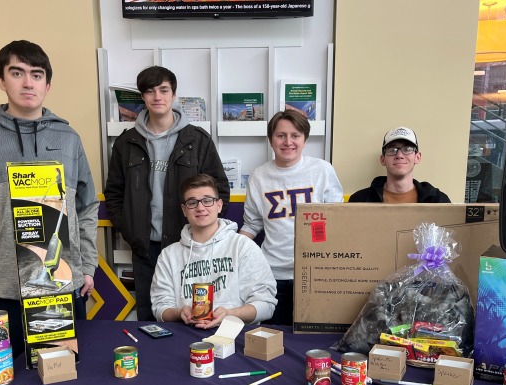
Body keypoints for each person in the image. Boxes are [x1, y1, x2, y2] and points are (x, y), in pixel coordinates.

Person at [0, 40, 99, 357]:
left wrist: (88, 266)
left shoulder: (68, 139)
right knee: (7, 383)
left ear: (48, 85)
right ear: (2, 81)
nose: (28, 82)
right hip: (1, 289)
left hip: (59, 285)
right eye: (17, 73)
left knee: (61, 377)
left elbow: (86, 208)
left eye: (36, 74)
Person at [105, 66, 229, 321]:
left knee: (195, 314)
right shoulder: (126, 143)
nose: (157, 97)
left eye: (163, 90)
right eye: (150, 91)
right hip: (145, 247)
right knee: (151, 317)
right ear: (143, 97)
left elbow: (220, 189)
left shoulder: (197, 140)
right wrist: (129, 229)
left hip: (190, 245)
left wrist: (203, 233)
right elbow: (114, 194)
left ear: (174, 95)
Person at [240, 111, 343, 326]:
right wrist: (232, 250)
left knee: (311, 338)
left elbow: (339, 220)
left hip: (314, 273)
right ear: (271, 140)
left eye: (295, 135)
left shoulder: (322, 170)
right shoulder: (259, 176)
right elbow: (252, 224)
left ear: (304, 139)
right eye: (281, 136)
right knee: (272, 339)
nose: (288, 142)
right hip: (271, 274)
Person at [151, 174, 277, 329]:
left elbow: (266, 305)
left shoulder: (243, 247)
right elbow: (159, 307)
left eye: (207, 200)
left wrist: (230, 314)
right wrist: (179, 312)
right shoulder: (168, 255)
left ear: (219, 205)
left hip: (235, 336)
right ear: (184, 210)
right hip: (185, 334)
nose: (200, 207)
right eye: (192, 202)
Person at [348, 126, 451, 203]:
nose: (399, 155)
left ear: (417, 157)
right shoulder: (359, 200)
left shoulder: (437, 200)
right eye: (392, 150)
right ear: (383, 159)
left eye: (407, 149)